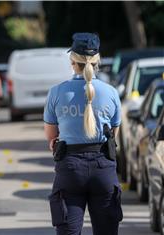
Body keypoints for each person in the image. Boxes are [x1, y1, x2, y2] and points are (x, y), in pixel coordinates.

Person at [44, 33, 123, 235]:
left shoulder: (56, 92)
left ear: (73, 61)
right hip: (103, 169)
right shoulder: (111, 92)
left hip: (70, 169)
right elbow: (114, 134)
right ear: (97, 61)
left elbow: (52, 137)